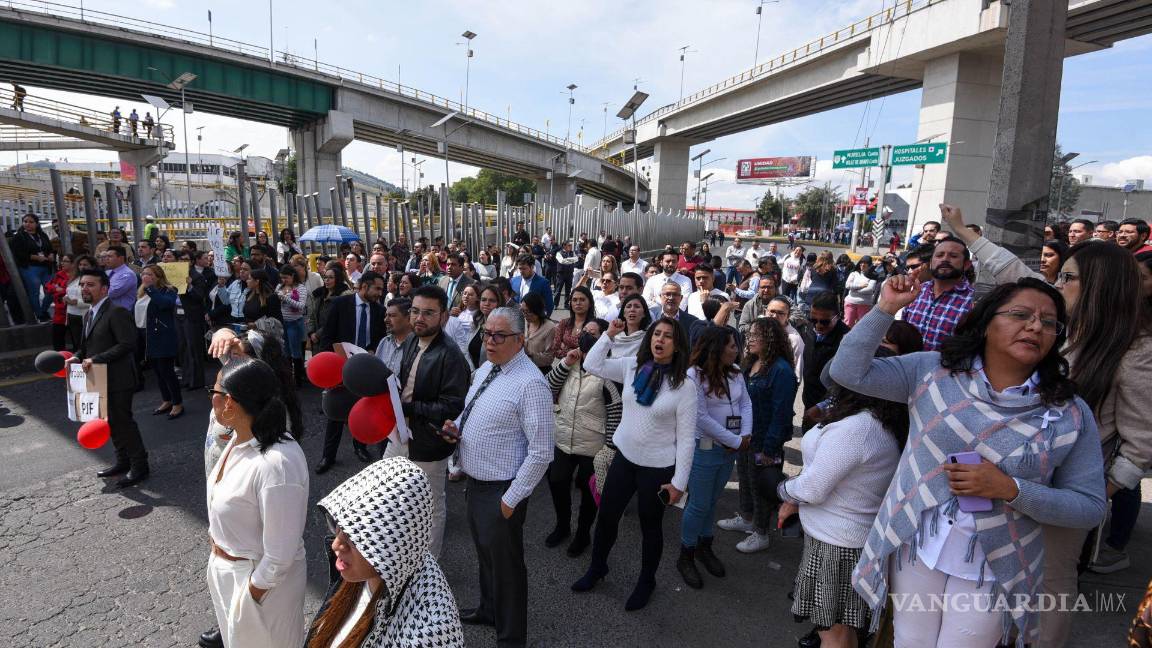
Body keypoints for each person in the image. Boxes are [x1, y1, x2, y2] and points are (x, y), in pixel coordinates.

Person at [830, 275, 1107, 648]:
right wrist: (884, 309)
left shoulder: (1067, 412)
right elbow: (847, 371)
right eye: (1021, 315)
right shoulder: (932, 372)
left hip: (995, 565)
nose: (1035, 327)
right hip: (917, 546)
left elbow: (1089, 507)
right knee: (909, 641)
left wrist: (1011, 490)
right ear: (986, 322)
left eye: (1048, 322)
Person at [437, 306, 553, 647]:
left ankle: (511, 638)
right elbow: (473, 408)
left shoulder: (531, 384)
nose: (489, 341)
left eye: (499, 336)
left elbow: (542, 451)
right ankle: (489, 610)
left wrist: (510, 500)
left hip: (502, 489)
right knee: (486, 558)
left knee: (507, 570)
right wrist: (456, 427)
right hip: (476, 483)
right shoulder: (488, 368)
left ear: (519, 340)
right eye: (487, 333)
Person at [776, 361, 906, 647]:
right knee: (842, 630)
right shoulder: (870, 420)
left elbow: (813, 488)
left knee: (832, 633)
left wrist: (784, 489)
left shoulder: (858, 428)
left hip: (837, 547)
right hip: (843, 541)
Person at [571, 316, 696, 611]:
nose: (660, 339)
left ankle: (646, 581)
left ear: (678, 345)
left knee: (650, 527)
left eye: (668, 336)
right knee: (606, 518)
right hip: (624, 458)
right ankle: (597, 567)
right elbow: (592, 364)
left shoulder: (685, 386)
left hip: (658, 467)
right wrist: (609, 335)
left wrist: (679, 483)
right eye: (656, 334)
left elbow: (687, 439)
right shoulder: (631, 366)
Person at [304, 458, 465, 648]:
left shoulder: (430, 634)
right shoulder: (402, 558)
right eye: (337, 524)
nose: (336, 544)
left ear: (393, 544)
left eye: (355, 538)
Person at [206, 358, 309, 648]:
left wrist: (251, 594)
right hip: (232, 574)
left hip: (260, 585)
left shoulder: (277, 464)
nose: (210, 399)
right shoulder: (240, 438)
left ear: (230, 402)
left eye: (213, 391)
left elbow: (280, 555)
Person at [382, 285, 470, 558]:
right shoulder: (411, 339)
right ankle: (398, 552)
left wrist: (411, 407)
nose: (419, 318)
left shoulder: (451, 355)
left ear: (444, 316)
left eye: (428, 313)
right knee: (390, 492)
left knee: (429, 506)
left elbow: (452, 405)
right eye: (415, 311)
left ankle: (428, 566)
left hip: (429, 440)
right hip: (400, 432)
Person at [678, 327, 751, 589]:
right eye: (731, 345)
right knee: (699, 504)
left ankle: (704, 546)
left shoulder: (736, 372)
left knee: (711, 502)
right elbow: (700, 417)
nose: (736, 350)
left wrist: (745, 434)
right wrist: (735, 441)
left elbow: (745, 404)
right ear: (717, 348)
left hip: (729, 449)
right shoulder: (694, 376)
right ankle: (686, 554)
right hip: (705, 448)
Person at [715, 317, 796, 554]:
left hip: (765, 440)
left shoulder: (781, 370)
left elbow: (781, 414)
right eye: (749, 335)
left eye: (755, 335)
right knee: (745, 479)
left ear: (770, 339)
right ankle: (747, 519)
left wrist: (770, 448)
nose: (749, 340)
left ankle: (761, 533)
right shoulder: (750, 363)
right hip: (746, 436)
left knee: (761, 486)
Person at [544, 318, 622, 557]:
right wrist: (566, 362)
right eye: (584, 331)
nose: (586, 335)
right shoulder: (570, 362)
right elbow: (548, 388)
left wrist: (609, 446)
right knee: (557, 482)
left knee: (588, 492)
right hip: (563, 436)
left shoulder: (608, 370)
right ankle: (562, 525)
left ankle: (583, 533)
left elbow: (615, 410)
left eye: (593, 333)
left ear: (603, 339)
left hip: (593, 443)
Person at [71, 269, 148, 487]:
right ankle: (122, 461)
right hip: (98, 378)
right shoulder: (88, 314)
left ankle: (140, 465)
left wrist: (95, 359)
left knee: (123, 422)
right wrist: (76, 357)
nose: (85, 289)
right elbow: (85, 347)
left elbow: (128, 344)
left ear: (104, 289)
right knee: (110, 421)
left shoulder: (117, 312)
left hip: (119, 378)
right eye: (82, 285)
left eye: (90, 285)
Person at [316, 272, 387, 473]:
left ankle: (360, 446)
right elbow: (327, 336)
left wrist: (372, 350)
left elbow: (379, 338)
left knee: (361, 410)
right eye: (377, 289)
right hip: (339, 368)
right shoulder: (340, 304)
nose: (380, 293)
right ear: (364, 286)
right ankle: (328, 456)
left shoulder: (379, 310)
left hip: (364, 370)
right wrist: (330, 366)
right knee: (335, 412)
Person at [901, 234, 974, 350]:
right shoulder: (916, 292)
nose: (945, 259)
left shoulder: (973, 301)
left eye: (953, 256)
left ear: (966, 265)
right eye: (939, 255)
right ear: (931, 263)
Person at [139, 265, 183, 419]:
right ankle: (167, 399)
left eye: (149, 274)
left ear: (157, 276)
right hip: (149, 336)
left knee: (167, 371)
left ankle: (177, 403)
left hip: (164, 336)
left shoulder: (169, 290)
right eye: (143, 273)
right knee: (158, 372)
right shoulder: (142, 292)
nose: (144, 276)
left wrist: (150, 289)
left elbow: (165, 304)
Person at [801, 292, 849, 427]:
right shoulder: (809, 329)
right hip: (809, 401)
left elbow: (845, 385)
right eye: (813, 320)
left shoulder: (847, 341)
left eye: (825, 322)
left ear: (837, 316)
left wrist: (822, 406)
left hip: (832, 410)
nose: (818, 325)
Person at [11, 213, 55, 321]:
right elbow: (17, 254)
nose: (28, 224)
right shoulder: (19, 236)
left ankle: (43, 310)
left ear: (37, 223)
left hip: (46, 267)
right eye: (25, 221)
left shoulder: (42, 235)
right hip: (30, 268)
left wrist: (51, 254)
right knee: (34, 292)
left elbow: (50, 248)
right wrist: (34, 257)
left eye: (31, 222)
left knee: (52, 290)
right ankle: (40, 314)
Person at [308, 265, 351, 353]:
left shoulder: (343, 297)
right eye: (325, 277)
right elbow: (312, 316)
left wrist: (317, 334)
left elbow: (333, 321)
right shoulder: (321, 295)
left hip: (332, 341)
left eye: (331, 278)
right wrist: (311, 333)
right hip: (317, 341)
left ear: (338, 279)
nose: (327, 280)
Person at [277, 265, 307, 383]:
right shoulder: (279, 286)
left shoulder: (301, 288)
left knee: (296, 351)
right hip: (282, 323)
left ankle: (298, 378)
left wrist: (286, 298)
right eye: (282, 278)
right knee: (286, 351)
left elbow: (301, 306)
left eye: (286, 277)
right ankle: (288, 378)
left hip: (295, 322)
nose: (283, 280)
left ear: (293, 276)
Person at [62, 254, 96, 351]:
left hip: (84, 315)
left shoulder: (94, 279)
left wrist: (76, 302)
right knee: (76, 344)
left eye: (85, 265)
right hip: (71, 315)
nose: (82, 267)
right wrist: (66, 297)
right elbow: (69, 291)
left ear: (92, 266)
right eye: (80, 264)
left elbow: (95, 299)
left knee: (85, 344)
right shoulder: (75, 278)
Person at [551, 285, 595, 359]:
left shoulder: (595, 326)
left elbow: (592, 353)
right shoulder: (564, 323)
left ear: (590, 303)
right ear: (570, 303)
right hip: (564, 364)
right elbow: (555, 350)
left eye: (582, 300)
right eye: (574, 300)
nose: (578, 303)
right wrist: (572, 352)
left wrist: (565, 348)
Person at [519, 291, 557, 372]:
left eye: (528, 312)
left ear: (537, 310)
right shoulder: (525, 322)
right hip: (523, 367)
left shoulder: (550, 328)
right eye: (523, 311)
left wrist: (530, 354)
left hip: (540, 370)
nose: (525, 315)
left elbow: (549, 358)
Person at [44, 253, 73, 350]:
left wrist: (61, 290)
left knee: (76, 339)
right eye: (62, 261)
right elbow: (47, 287)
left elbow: (73, 292)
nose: (62, 263)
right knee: (57, 338)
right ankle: (60, 357)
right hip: (59, 311)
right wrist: (56, 289)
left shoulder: (77, 276)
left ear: (73, 263)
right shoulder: (59, 274)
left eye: (65, 261)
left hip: (73, 310)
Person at [843, 256, 879, 326]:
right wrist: (861, 286)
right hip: (850, 302)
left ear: (869, 265)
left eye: (865, 263)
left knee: (862, 325)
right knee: (848, 324)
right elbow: (847, 285)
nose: (862, 264)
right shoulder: (854, 273)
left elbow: (869, 289)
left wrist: (853, 290)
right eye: (861, 263)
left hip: (865, 304)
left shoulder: (873, 275)